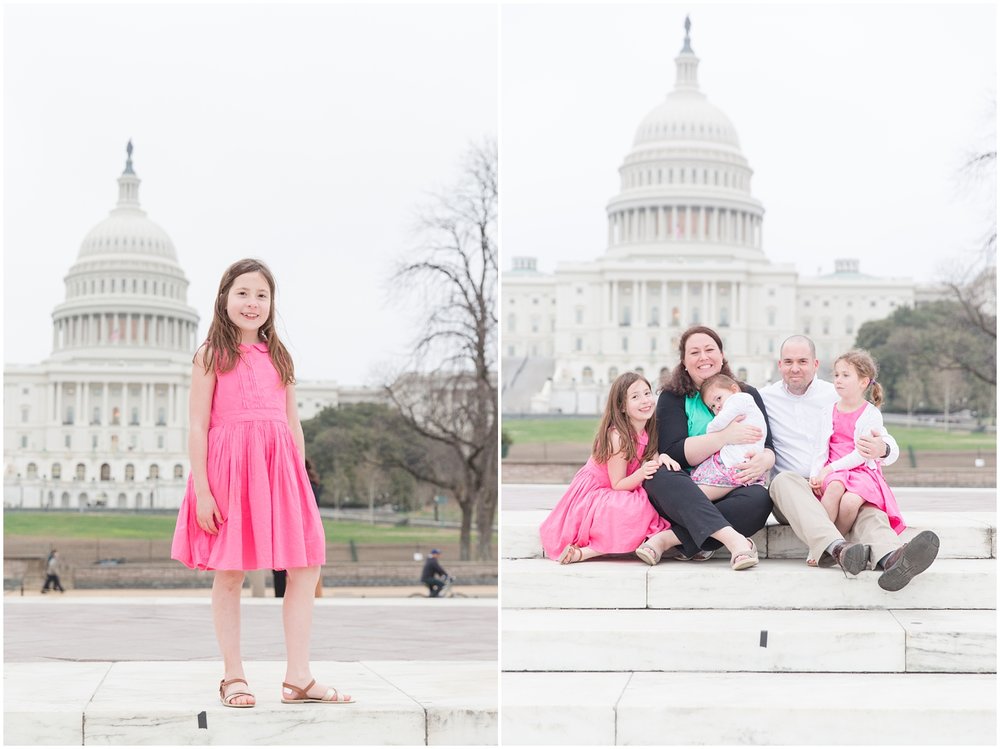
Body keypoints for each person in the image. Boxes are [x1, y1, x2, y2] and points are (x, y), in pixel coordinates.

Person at [171, 259, 353, 708]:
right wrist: (204, 490)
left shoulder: (279, 355)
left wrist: (301, 480)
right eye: (243, 293)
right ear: (224, 299)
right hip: (229, 472)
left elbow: (293, 424)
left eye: (261, 295)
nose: (252, 303)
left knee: (305, 568)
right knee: (230, 571)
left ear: (272, 304)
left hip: (279, 470)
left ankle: (299, 677)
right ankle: (233, 675)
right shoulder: (210, 354)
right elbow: (197, 427)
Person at [761, 335, 939, 590]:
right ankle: (838, 548)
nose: (795, 368)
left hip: (838, 480)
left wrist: (883, 448)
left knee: (867, 509)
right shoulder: (764, 397)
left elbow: (882, 436)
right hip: (796, 493)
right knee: (782, 481)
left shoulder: (835, 392)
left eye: (802, 361)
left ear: (815, 363)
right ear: (779, 365)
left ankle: (893, 558)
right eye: (788, 362)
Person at [644, 326, 773, 570]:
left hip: (734, 482)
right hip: (687, 484)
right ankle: (734, 541)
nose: (703, 357)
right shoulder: (672, 397)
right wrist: (724, 437)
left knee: (760, 499)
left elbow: (767, 445)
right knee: (658, 475)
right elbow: (671, 453)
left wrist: (764, 461)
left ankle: (668, 539)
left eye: (709, 350)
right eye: (694, 352)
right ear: (684, 361)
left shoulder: (746, 394)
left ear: (722, 355)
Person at [539, 371, 685, 567]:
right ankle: (585, 553)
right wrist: (642, 473)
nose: (645, 401)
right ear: (622, 407)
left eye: (647, 393)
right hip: (599, 490)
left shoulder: (648, 428)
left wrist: (663, 457)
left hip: (624, 485)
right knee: (636, 507)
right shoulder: (618, 438)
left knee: (650, 501)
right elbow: (617, 484)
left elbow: (650, 456)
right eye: (635, 397)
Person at [808, 349, 905, 538]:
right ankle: (822, 543)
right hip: (833, 471)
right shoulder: (828, 412)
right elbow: (819, 449)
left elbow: (861, 454)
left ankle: (837, 540)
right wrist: (816, 473)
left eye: (845, 375)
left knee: (850, 502)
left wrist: (830, 470)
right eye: (836, 375)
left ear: (863, 382)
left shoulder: (871, 414)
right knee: (834, 487)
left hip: (861, 472)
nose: (838, 380)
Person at [692, 373, 769, 501]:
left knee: (700, 492)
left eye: (718, 398)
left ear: (734, 389)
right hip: (742, 458)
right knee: (702, 483)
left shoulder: (739, 399)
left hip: (738, 460)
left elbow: (720, 422)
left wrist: (710, 429)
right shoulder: (740, 403)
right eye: (712, 407)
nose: (717, 406)